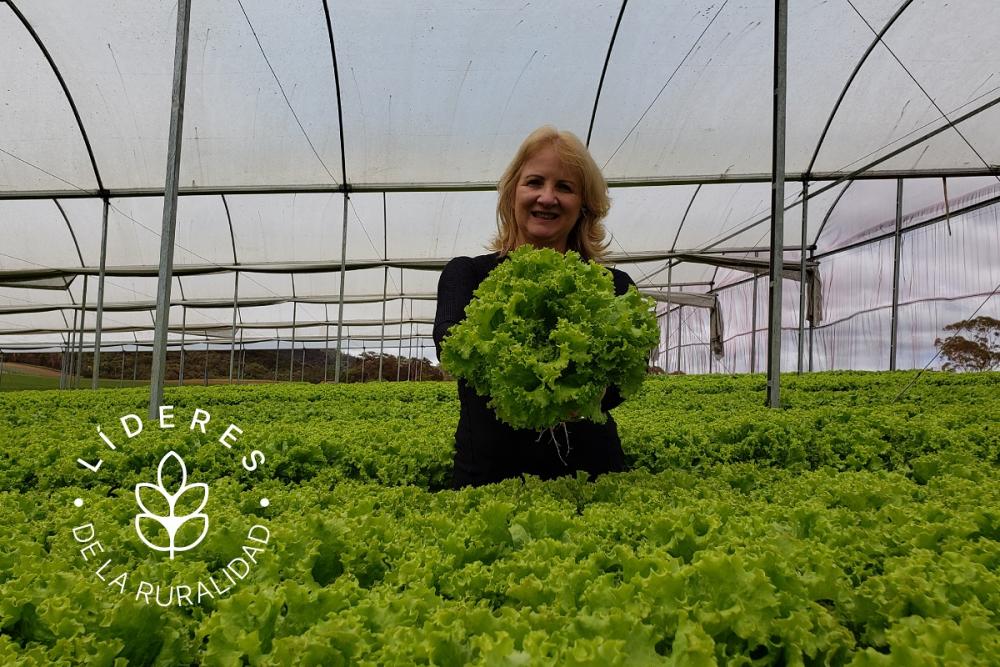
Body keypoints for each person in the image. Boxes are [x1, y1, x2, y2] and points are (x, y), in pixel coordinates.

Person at [433, 126, 638, 488]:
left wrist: (585, 392)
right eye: (535, 182)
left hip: (592, 479)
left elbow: (623, 376)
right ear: (512, 193)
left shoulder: (615, 287)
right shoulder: (466, 276)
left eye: (565, 187)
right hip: (489, 481)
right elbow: (453, 346)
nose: (547, 197)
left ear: (585, 205)